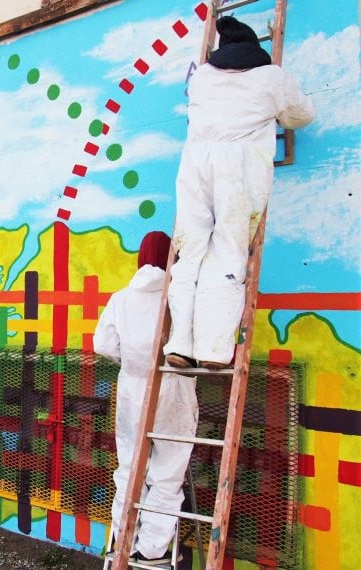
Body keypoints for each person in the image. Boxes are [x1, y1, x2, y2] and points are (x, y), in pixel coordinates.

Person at [164, 15, 314, 370]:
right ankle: (214, 348)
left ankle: (179, 343)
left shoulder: (201, 77)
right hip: (239, 167)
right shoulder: (271, 77)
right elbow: (302, 116)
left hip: (195, 164)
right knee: (228, 253)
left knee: (190, 252)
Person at [94, 231, 199, 566]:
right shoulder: (182, 296)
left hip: (133, 390)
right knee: (168, 472)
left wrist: (131, 360)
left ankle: (122, 538)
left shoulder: (121, 298)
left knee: (130, 468)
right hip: (175, 389)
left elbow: (104, 346)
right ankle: (151, 551)